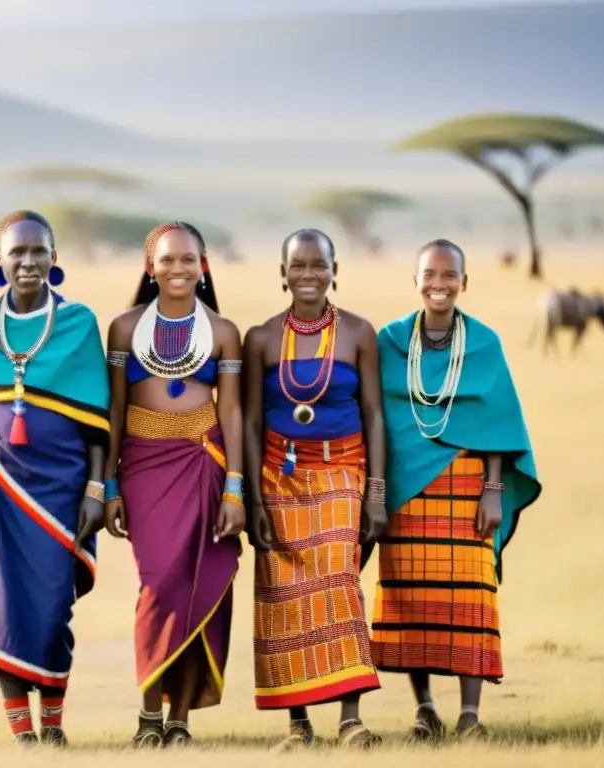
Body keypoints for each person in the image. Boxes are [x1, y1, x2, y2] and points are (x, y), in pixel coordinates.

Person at [0, 210, 110, 747]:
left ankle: (53, 725)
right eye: (17, 252)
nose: (28, 262)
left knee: (53, 605)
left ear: (54, 259)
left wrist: (97, 490)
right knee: (3, 606)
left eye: (38, 252)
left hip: (63, 490)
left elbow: (100, 421)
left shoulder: (79, 324)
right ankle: (24, 736)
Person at [371, 239, 541, 741]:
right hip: (407, 488)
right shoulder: (392, 341)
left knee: (471, 594)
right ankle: (424, 708)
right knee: (410, 599)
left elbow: (496, 421)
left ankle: (470, 713)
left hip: (468, 486)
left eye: (449, 275)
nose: (439, 283)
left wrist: (493, 488)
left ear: (464, 282)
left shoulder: (483, 343)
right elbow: (378, 416)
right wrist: (377, 492)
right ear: (416, 279)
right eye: (430, 274)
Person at [242, 228, 387, 750]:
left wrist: (375, 492)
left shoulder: (358, 333)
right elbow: (252, 424)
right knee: (282, 595)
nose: (308, 275)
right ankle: (298, 725)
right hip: (278, 476)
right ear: (282, 274)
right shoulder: (260, 338)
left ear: (335, 269)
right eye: (297, 266)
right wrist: (252, 501)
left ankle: (350, 720)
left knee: (339, 581)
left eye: (318, 265)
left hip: (343, 470)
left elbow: (374, 413)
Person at [103, 222, 244, 748]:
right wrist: (109, 484)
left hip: (204, 461)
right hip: (143, 465)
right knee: (159, 584)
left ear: (204, 265)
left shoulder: (223, 331)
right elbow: (115, 410)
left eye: (188, 260)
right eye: (167, 260)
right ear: (149, 266)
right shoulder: (123, 328)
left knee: (199, 586)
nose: (178, 269)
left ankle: (179, 718)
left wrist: (235, 489)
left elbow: (230, 410)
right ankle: (147, 715)